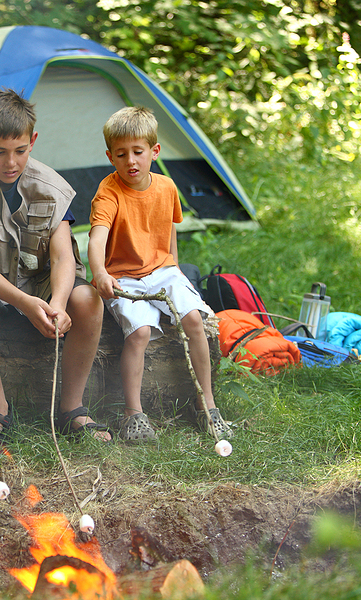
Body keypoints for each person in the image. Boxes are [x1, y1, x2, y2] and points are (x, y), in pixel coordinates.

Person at [0, 88, 108, 451]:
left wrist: (57, 304)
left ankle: (72, 407)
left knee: (88, 298)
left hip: (37, 278)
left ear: (33, 141)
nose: (10, 162)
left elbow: (62, 257)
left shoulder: (51, 187)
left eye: (20, 151)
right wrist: (28, 305)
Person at [87, 106, 233, 442]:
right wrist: (100, 273)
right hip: (123, 277)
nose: (131, 161)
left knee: (194, 320)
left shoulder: (166, 187)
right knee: (139, 334)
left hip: (162, 271)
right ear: (110, 156)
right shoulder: (108, 193)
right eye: (121, 154)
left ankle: (206, 404)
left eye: (138, 152)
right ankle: (133, 413)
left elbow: (169, 231)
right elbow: (96, 239)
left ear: (154, 151)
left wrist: (176, 271)